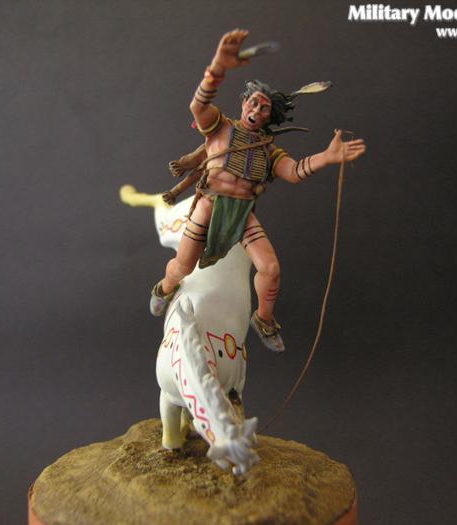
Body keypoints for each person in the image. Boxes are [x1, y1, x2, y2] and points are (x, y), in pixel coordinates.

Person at [150, 29, 366, 352]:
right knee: (182, 267)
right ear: (244, 102)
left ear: (270, 116)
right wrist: (216, 68)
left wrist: (326, 157)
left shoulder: (269, 150)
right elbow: (198, 104)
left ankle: (263, 319)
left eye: (265, 109)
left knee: (271, 269)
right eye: (254, 103)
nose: (257, 111)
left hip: (242, 215)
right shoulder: (219, 127)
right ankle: (164, 288)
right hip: (210, 205)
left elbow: (294, 172)